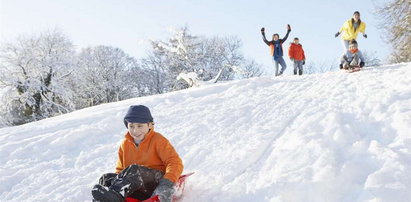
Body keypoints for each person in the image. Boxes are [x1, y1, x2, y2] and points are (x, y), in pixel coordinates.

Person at [91, 105, 183, 202]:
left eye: (140, 126)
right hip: (136, 186)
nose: (135, 131)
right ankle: (106, 199)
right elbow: (120, 170)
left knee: (134, 170)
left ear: (149, 125)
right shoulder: (125, 144)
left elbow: (174, 162)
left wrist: (167, 182)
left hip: (156, 182)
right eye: (131, 126)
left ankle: (117, 197)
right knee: (106, 178)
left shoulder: (158, 140)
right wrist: (112, 182)